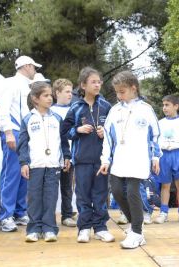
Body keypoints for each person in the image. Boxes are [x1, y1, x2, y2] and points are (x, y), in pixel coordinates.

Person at [98, 70, 161, 249]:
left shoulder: (146, 109)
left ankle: (136, 232)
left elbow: (155, 135)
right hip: (119, 159)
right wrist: (105, 160)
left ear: (134, 88)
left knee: (133, 192)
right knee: (117, 191)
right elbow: (108, 139)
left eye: (122, 92)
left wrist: (156, 156)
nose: (119, 96)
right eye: (117, 92)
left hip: (139, 158)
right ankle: (136, 225)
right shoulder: (114, 110)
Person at [61, 67, 114, 243]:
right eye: (93, 82)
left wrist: (104, 133)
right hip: (82, 160)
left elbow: (115, 133)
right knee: (83, 195)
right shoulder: (75, 107)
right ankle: (83, 228)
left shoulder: (107, 107)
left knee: (100, 194)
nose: (98, 85)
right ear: (83, 85)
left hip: (101, 160)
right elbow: (64, 132)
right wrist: (78, 130)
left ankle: (100, 227)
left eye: (99, 82)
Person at [17, 81, 70, 242]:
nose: (50, 98)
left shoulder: (57, 118)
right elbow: (23, 143)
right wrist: (24, 162)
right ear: (35, 98)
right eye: (45, 95)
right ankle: (34, 229)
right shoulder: (28, 119)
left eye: (50, 95)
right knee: (34, 198)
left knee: (51, 197)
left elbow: (63, 141)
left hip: (53, 164)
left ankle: (49, 229)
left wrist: (67, 156)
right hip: (35, 165)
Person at [0, 55, 39, 232]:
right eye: (34, 67)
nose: (35, 70)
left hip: (25, 133)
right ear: (27, 66)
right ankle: (5, 216)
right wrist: (7, 132)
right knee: (11, 174)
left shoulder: (28, 86)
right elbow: (3, 109)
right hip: (13, 131)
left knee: (24, 173)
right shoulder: (10, 83)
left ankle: (20, 212)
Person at [153, 95, 179, 224]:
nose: (164, 108)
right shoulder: (160, 123)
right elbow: (156, 142)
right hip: (164, 155)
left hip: (178, 154)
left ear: (176, 106)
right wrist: (157, 159)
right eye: (163, 105)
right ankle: (163, 212)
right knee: (165, 185)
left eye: (167, 105)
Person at [50, 78, 77, 227]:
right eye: (67, 91)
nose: (70, 95)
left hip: (71, 155)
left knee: (67, 187)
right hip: (54, 156)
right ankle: (49, 216)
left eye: (71, 92)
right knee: (52, 188)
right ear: (57, 93)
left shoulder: (75, 109)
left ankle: (67, 215)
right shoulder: (50, 111)